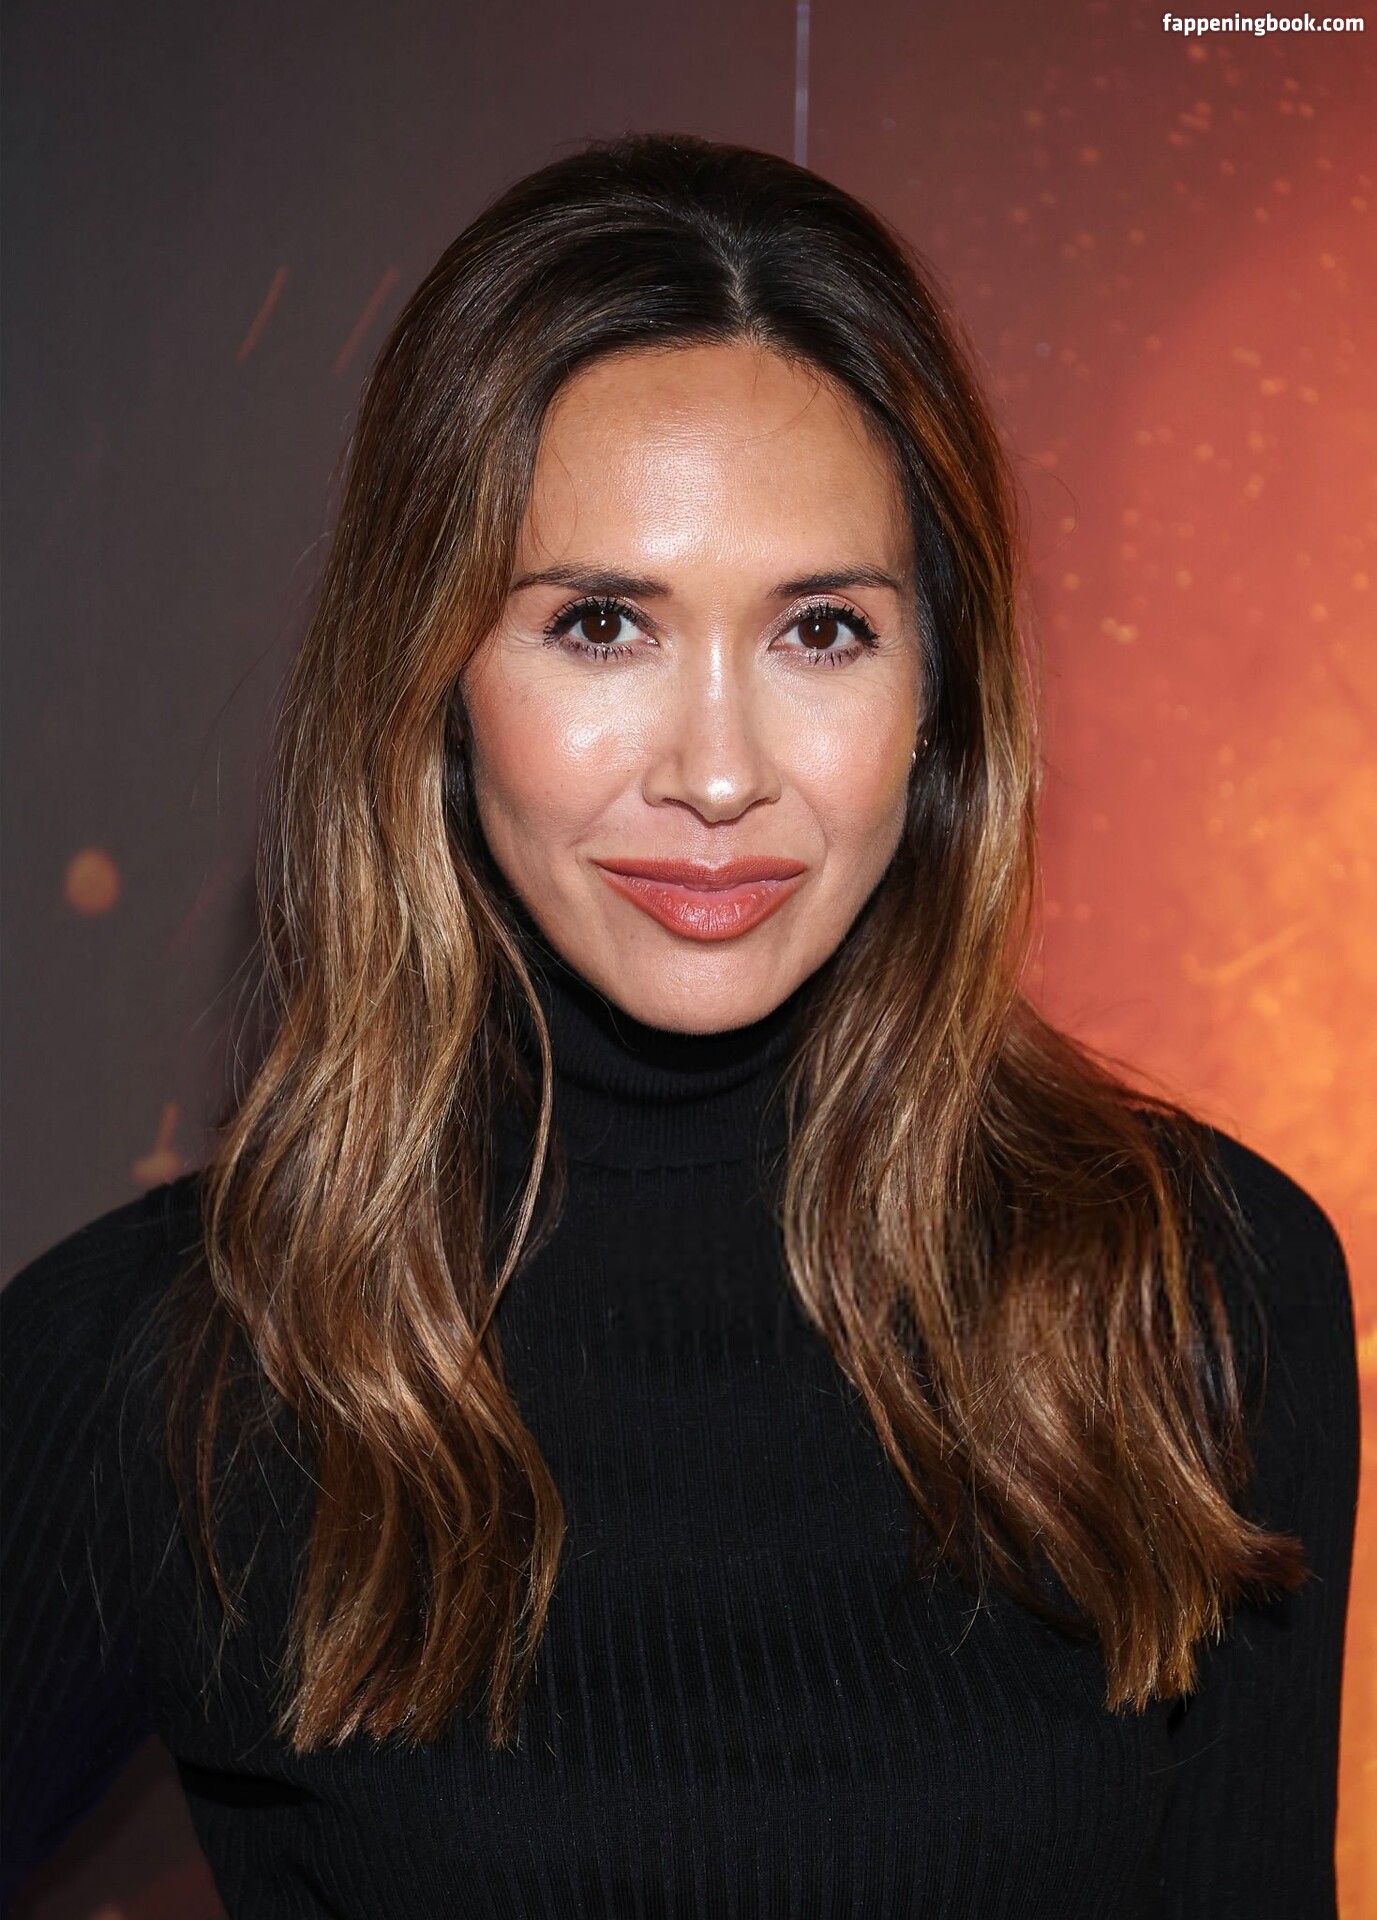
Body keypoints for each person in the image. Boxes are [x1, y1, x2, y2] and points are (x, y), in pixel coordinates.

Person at [0, 133, 1358, 1919]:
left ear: (937, 696)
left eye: (820, 630)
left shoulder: (1192, 1292)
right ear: (432, 679)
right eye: (597, 624)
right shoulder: (166, 1362)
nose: (717, 774)